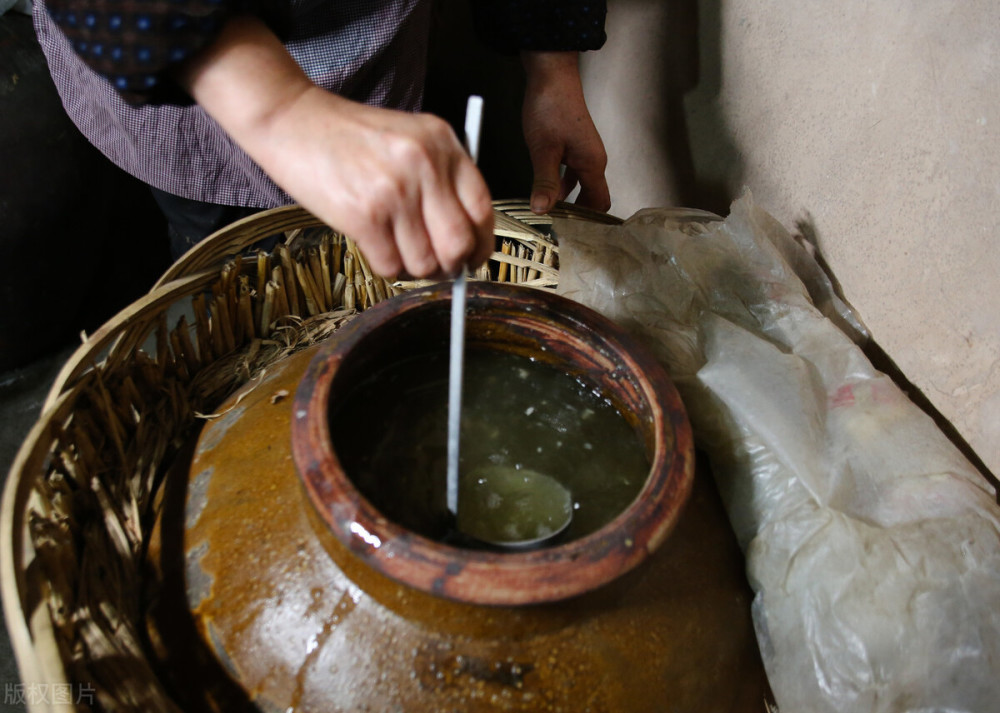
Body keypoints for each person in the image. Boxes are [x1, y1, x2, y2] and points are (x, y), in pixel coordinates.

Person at [33, 0, 611, 278]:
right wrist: (279, 110)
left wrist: (550, 69)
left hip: (369, 38)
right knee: (236, 280)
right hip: (187, 74)